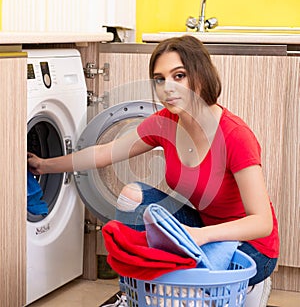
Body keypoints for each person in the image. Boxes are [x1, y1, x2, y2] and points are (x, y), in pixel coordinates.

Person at [27, 35, 279, 307]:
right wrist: (44, 165)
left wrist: (199, 236)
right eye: (160, 79)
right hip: (202, 231)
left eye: (179, 76)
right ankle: (131, 290)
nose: (167, 88)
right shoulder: (165, 123)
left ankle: (250, 285)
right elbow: (104, 153)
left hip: (251, 247)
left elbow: (261, 222)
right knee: (133, 195)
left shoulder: (235, 136)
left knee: (180, 293)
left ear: (201, 76)